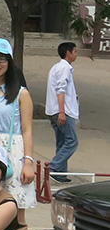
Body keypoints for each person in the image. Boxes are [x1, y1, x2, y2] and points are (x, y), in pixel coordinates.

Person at [0, 38, 36, 211]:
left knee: (14, 208)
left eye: (1, 59)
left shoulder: (21, 94)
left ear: (9, 62)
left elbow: (27, 130)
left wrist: (28, 163)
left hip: (12, 152)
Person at [46, 42, 79, 183]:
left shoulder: (57, 67)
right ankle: (53, 167)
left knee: (62, 142)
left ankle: (60, 174)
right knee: (72, 142)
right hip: (63, 111)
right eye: (75, 51)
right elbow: (61, 90)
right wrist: (62, 112)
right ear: (68, 53)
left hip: (54, 110)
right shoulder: (64, 68)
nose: (76, 54)